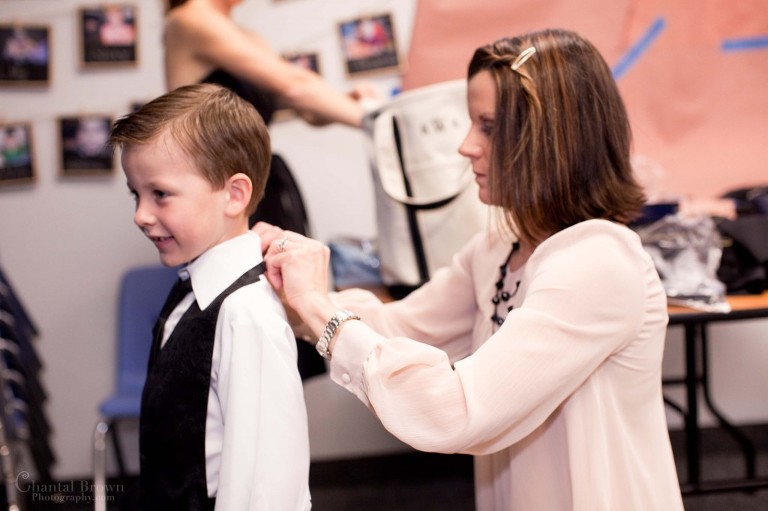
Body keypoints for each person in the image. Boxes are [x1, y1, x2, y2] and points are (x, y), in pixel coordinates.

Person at [256, 28, 685, 510]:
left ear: (554, 140)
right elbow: (403, 327)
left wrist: (319, 308)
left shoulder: (598, 261)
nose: (465, 146)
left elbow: (454, 413)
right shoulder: (499, 247)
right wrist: (295, 292)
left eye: (489, 126)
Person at [110, 83, 311, 510]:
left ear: (234, 195)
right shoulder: (192, 289)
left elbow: (267, 485)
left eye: (160, 194)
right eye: (136, 194)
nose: (140, 216)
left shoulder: (245, 312)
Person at [163, 0, 377, 379]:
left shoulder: (247, 36)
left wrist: (350, 103)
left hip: (261, 188)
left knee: (282, 320)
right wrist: (381, 120)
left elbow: (304, 105)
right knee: (245, 331)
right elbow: (295, 86)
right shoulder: (190, 19)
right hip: (221, 197)